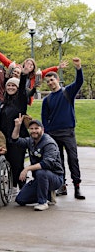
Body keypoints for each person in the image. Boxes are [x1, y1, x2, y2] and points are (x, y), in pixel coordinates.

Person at [42, 57, 85, 200]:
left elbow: (79, 82)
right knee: (58, 161)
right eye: (47, 81)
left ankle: (77, 186)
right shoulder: (46, 100)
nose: (50, 83)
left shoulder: (68, 92)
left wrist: (78, 68)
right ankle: (62, 185)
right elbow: (44, 119)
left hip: (68, 132)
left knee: (73, 159)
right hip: (53, 134)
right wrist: (47, 134)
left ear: (57, 80)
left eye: (52, 80)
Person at [11, 117, 63, 211]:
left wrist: (27, 169)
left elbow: (47, 163)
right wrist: (17, 126)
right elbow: (15, 140)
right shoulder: (30, 141)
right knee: (20, 200)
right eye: (31, 129)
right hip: (40, 179)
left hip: (55, 177)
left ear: (42, 130)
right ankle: (48, 195)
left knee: (41, 172)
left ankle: (43, 202)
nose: (34, 131)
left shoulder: (49, 143)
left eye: (36, 128)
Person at [0, 76, 29, 194]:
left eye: (13, 85)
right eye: (9, 85)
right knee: (10, 163)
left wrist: (23, 75)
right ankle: (13, 186)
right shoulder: (4, 103)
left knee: (17, 164)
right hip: (6, 138)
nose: (11, 87)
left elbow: (22, 90)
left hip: (18, 137)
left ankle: (22, 187)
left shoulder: (20, 102)